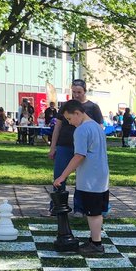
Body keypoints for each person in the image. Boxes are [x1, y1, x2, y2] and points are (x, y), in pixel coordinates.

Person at [52, 100, 110, 255]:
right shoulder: (97, 127)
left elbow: (79, 156)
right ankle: (94, 239)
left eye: (70, 119)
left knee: (93, 212)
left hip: (90, 178)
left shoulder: (82, 130)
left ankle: (96, 244)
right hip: (101, 176)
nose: (70, 123)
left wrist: (62, 176)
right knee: (96, 211)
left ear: (77, 113)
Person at [47, 79, 88, 216]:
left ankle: (79, 208)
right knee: (59, 176)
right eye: (74, 92)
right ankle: (57, 206)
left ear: (84, 91)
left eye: (79, 92)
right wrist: (53, 147)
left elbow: (98, 128)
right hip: (64, 145)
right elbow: (57, 127)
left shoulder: (92, 107)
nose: (76, 95)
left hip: (82, 148)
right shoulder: (66, 106)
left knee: (81, 178)